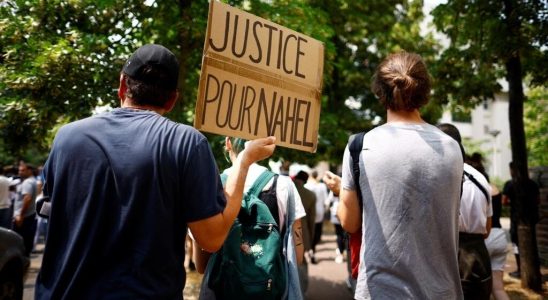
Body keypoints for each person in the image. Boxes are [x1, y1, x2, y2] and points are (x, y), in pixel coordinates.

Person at [35, 44, 276, 299]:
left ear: (122, 85)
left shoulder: (67, 138)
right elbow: (212, 238)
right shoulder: (187, 143)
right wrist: (243, 162)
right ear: (172, 100)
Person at [333, 51, 464, 299]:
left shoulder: (360, 146)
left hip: (381, 291)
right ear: (424, 92)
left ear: (380, 92)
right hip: (442, 290)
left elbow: (350, 223)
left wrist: (342, 192)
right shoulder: (452, 148)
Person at [194, 137, 306, 299]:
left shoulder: (210, 186)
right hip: (269, 292)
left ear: (228, 143)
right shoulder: (283, 185)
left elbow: (201, 265)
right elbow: (297, 256)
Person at [438, 123, 493, 299]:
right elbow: (487, 231)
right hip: (480, 259)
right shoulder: (480, 178)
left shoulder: (441, 174)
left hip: (453, 256)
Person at [502, 161, 540, 279]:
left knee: (516, 245)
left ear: (512, 170)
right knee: (532, 244)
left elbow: (504, 201)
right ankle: (534, 270)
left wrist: (513, 202)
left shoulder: (510, 184)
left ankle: (520, 269)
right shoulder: (533, 183)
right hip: (531, 219)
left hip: (516, 220)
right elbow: (538, 200)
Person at [293, 170, 315, 296]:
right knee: (301, 263)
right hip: (303, 233)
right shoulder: (310, 195)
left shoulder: (282, 188)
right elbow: (312, 221)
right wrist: (310, 241)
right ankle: (302, 292)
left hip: (283, 231)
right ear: (306, 181)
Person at [12, 161, 37, 256]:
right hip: (27, 215)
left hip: (23, 217)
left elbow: (27, 198)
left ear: (29, 171)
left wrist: (21, 215)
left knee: (19, 240)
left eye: (22, 170)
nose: (20, 172)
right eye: (19, 170)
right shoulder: (31, 181)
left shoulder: (27, 182)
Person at [304, 170, 329, 264]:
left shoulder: (307, 186)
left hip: (309, 213)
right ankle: (312, 251)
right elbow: (326, 200)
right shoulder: (322, 186)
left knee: (310, 232)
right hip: (320, 213)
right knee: (316, 234)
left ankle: (310, 251)